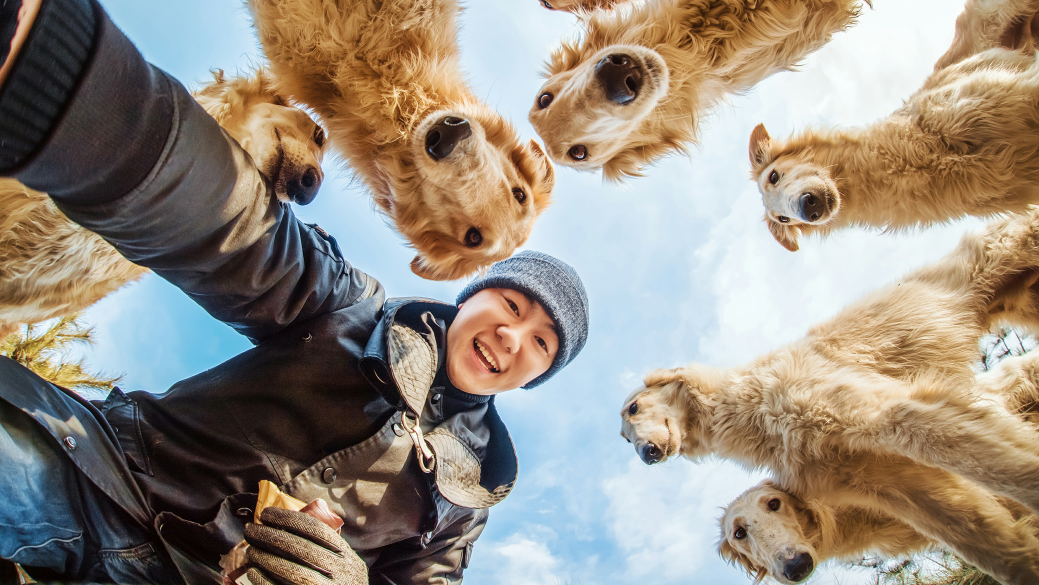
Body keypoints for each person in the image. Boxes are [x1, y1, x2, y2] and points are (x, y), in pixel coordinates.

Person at [0, 1, 590, 584]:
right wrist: (69, 83)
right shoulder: (352, 308)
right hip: (97, 472)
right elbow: (231, 232)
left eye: (541, 344)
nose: (512, 336)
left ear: (533, 377)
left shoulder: (467, 506)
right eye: (512, 306)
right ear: (471, 297)